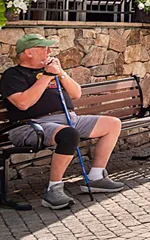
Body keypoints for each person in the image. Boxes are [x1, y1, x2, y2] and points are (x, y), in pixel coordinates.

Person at [1, 34, 125, 209]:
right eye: (44, 48)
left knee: (113, 124)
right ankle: (53, 189)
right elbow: (23, 103)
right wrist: (46, 76)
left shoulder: (51, 70)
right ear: (29, 52)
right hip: (32, 125)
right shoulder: (13, 75)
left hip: (68, 118)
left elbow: (76, 94)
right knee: (68, 134)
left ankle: (96, 177)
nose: (49, 51)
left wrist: (61, 73)